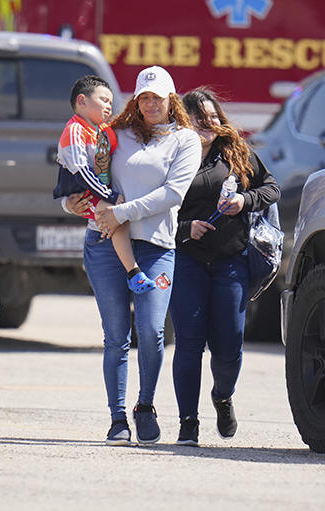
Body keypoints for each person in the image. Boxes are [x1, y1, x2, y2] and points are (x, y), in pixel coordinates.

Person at [65, 66, 201, 445]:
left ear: (171, 99)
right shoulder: (115, 134)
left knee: (152, 331)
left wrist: (121, 213)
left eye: (158, 97)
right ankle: (117, 419)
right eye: (144, 98)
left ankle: (145, 405)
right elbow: (82, 173)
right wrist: (69, 204)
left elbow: (173, 194)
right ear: (136, 101)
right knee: (115, 335)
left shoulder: (185, 140)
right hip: (104, 243)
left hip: (156, 247)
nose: (151, 104)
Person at [170, 88, 280, 446]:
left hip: (231, 260)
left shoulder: (235, 153)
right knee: (189, 342)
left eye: (213, 117)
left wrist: (244, 201)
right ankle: (188, 422)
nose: (208, 124)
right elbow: (153, 209)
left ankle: (222, 396)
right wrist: (186, 228)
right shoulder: (170, 155)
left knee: (229, 344)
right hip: (186, 258)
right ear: (184, 122)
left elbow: (271, 188)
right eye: (199, 118)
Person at [53, 75, 156, 294]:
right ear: (82, 101)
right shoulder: (75, 130)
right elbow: (82, 172)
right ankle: (134, 273)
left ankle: (129, 270)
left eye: (111, 102)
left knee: (119, 218)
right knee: (115, 215)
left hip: (97, 191)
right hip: (82, 192)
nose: (109, 106)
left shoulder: (101, 129)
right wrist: (110, 195)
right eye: (104, 100)